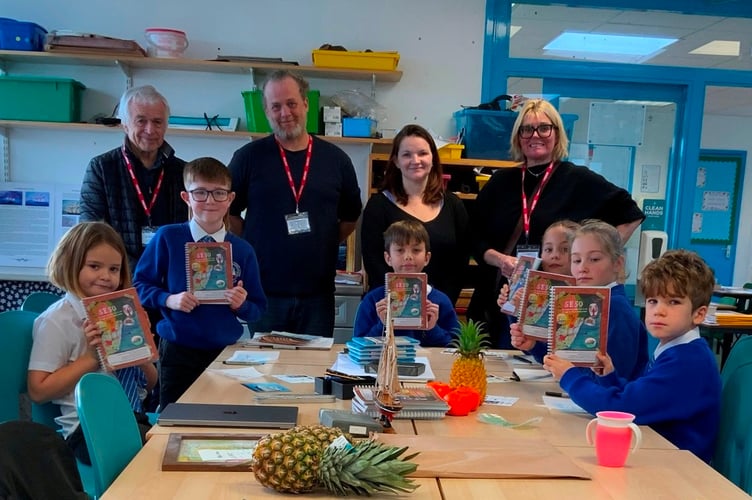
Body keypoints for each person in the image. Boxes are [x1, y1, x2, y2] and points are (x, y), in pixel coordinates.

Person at [468, 98, 645, 348]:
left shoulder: (578, 180)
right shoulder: (500, 182)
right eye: (526, 129)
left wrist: (591, 259)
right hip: (500, 297)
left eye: (544, 127)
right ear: (518, 137)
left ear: (557, 133)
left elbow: (631, 213)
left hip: (553, 302)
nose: (535, 135)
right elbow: (473, 235)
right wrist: (500, 259)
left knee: (544, 366)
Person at [543, 249, 721, 463]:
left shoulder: (688, 362)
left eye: (673, 302)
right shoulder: (677, 350)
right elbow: (641, 396)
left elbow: (621, 410)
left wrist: (569, 377)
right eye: (653, 301)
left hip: (678, 468)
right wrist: (608, 376)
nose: (658, 311)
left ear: (699, 314)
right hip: (659, 454)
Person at [228, 70, 362, 337]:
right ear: (266, 111)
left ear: (306, 104)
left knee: (312, 373)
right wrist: (253, 243)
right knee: (266, 374)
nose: (285, 113)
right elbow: (228, 211)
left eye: (291, 103)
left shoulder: (336, 160)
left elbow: (350, 216)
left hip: (318, 295)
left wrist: (323, 240)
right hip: (264, 293)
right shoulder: (247, 158)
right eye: (275, 106)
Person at [134, 157, 267, 408]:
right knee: (174, 419)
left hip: (225, 352)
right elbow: (140, 285)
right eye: (201, 193)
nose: (210, 201)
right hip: (178, 349)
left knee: (223, 417)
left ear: (230, 198)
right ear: (186, 197)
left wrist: (241, 305)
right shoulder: (169, 238)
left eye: (219, 193)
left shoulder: (242, 249)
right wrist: (169, 299)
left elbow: (258, 308)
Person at [27, 221, 157, 465]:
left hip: (130, 417)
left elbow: (149, 385)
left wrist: (142, 349)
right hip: (87, 431)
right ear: (71, 264)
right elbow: (38, 391)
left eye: (114, 269)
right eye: (94, 266)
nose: (106, 277)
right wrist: (90, 359)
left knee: (172, 445)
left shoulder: (120, 313)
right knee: (156, 459)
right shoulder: (57, 320)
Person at [511, 220, 648, 381]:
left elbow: (615, 381)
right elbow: (570, 362)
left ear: (618, 263)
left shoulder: (616, 308)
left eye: (594, 259)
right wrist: (534, 346)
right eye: (576, 260)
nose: (582, 268)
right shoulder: (590, 301)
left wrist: (570, 376)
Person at [80, 84, 188, 273]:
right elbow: (91, 232)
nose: (150, 129)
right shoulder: (102, 168)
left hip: (169, 281)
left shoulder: (183, 171)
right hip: (117, 278)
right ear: (125, 124)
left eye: (157, 122)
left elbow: (190, 232)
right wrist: (137, 274)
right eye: (141, 121)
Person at [361, 124, 470, 305]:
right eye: (407, 154)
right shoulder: (378, 206)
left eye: (422, 153)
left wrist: (441, 303)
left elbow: (461, 261)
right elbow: (374, 264)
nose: (415, 160)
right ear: (396, 161)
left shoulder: (453, 205)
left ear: (433, 158)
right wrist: (403, 304)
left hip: (439, 309)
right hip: (393, 308)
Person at [354, 220, 458, 347]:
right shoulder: (373, 300)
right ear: (388, 258)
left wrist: (432, 328)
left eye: (416, 250)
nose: (408, 256)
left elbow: (455, 347)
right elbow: (358, 344)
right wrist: (383, 325)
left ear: (427, 258)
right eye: (400, 250)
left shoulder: (440, 301)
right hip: (383, 366)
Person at [497, 219, 579, 312]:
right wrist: (510, 305)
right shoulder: (528, 286)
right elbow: (513, 324)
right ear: (541, 254)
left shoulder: (587, 287)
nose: (554, 255)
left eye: (565, 249)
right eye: (548, 249)